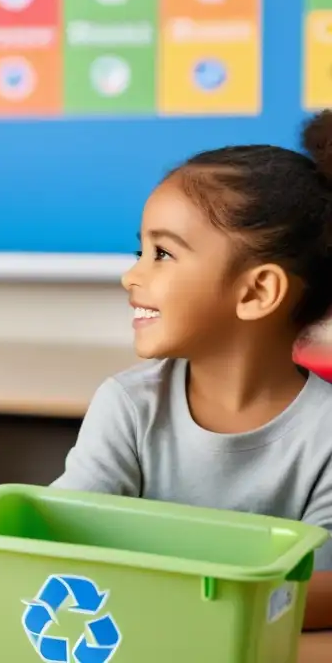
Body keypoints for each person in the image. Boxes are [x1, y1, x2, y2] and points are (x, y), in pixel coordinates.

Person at [52, 111, 332, 630]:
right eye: (140, 250)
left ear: (256, 292)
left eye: (162, 253)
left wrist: (153, 584)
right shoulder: (127, 407)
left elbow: (321, 591)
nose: (129, 275)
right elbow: (65, 542)